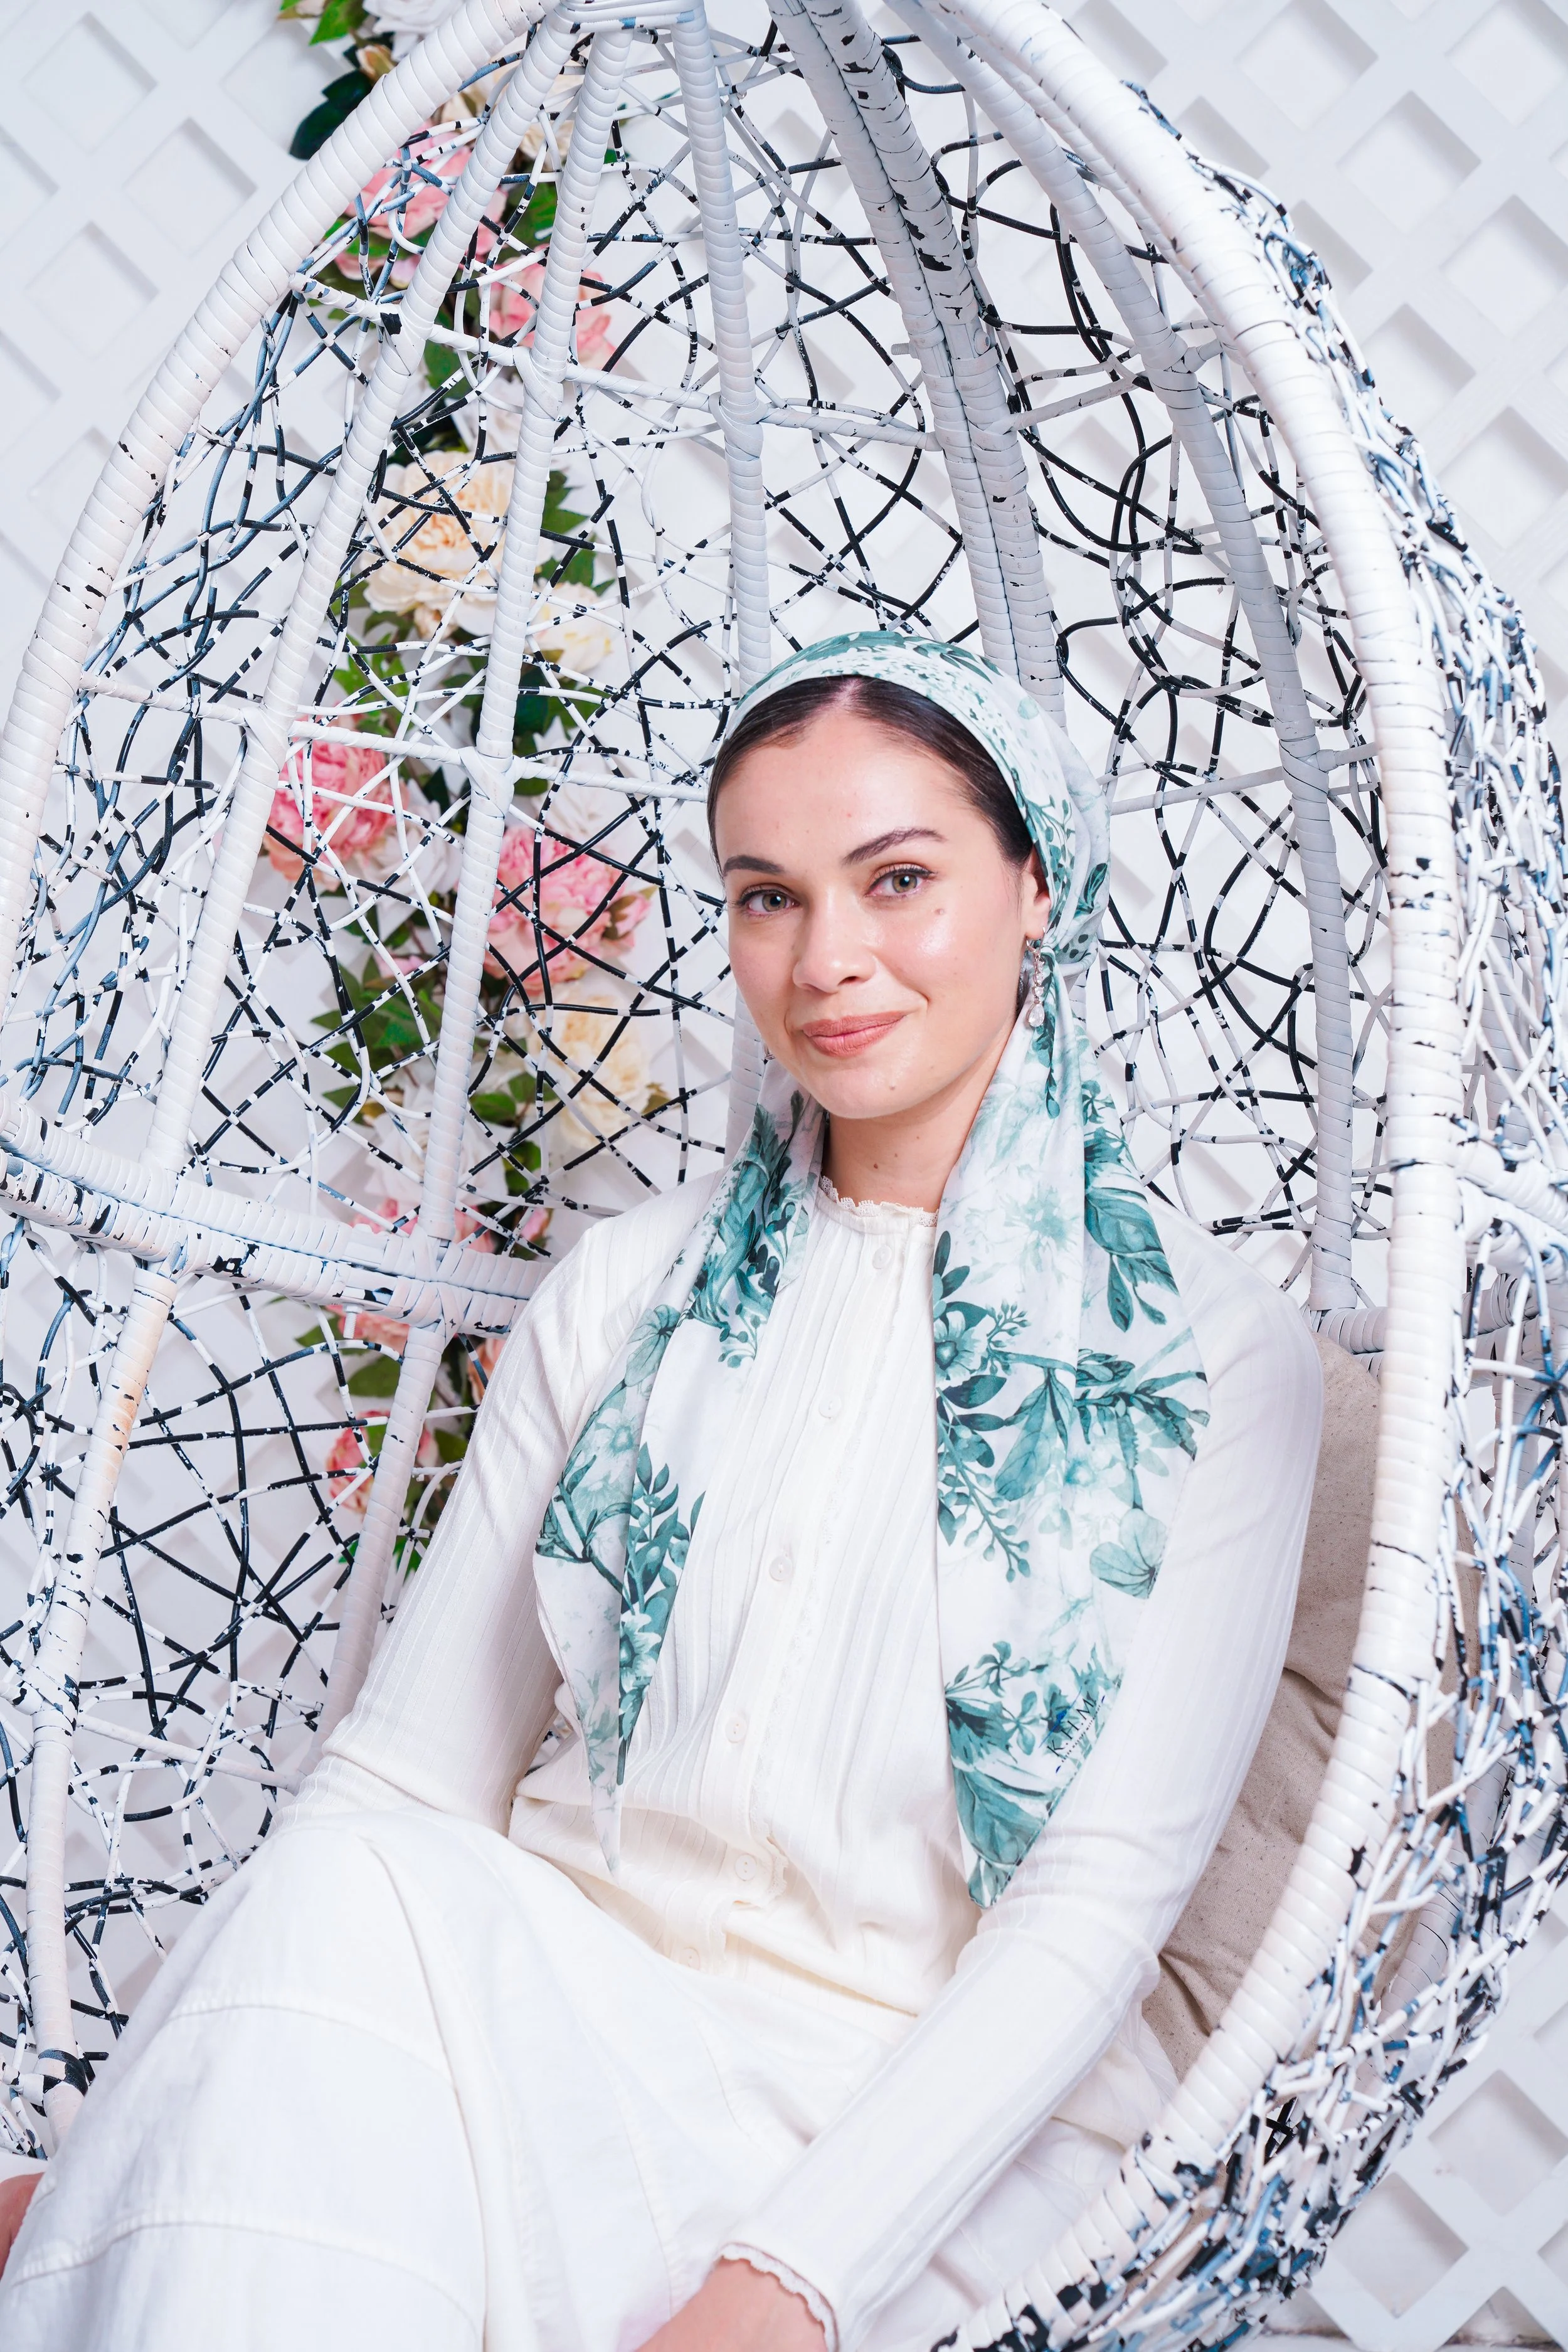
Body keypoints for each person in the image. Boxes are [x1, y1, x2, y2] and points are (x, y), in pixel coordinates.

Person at [0, 633, 1322, 2351]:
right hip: (551, 2017)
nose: (826, 958)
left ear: (1034, 884)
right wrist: (150, 2118)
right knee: (336, 1905)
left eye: (896, 879)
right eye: (765, 896)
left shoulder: (1210, 1360)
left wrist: (782, 2286)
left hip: (917, 2114)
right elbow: (404, 1777)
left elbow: (1090, 1911)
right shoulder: (636, 1283)